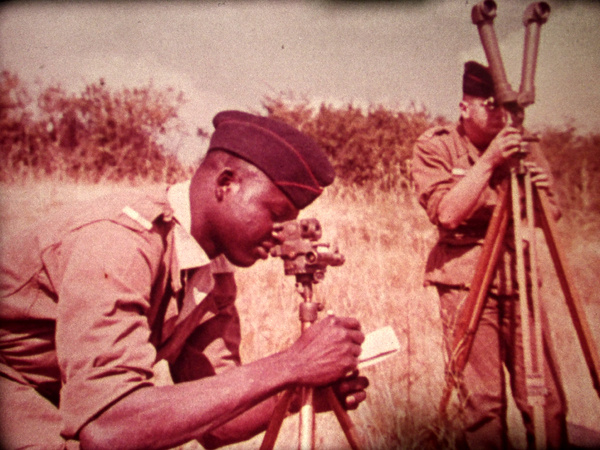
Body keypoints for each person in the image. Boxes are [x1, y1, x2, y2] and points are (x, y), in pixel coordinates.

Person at [0, 110, 369, 449]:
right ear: (227, 184)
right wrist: (291, 365)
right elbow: (108, 428)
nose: (282, 233)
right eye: (276, 214)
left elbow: (217, 424)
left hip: (54, 392)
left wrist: (295, 392)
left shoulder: (212, 272)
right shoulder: (120, 241)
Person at [411, 61, 568, 449]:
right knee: (482, 405)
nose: (500, 115)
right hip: (466, 282)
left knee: (546, 400)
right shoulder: (437, 146)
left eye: (505, 107)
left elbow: (552, 213)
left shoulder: (524, 144)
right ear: (465, 107)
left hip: (520, 278)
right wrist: (490, 161)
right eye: (490, 105)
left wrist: (537, 194)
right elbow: (447, 213)